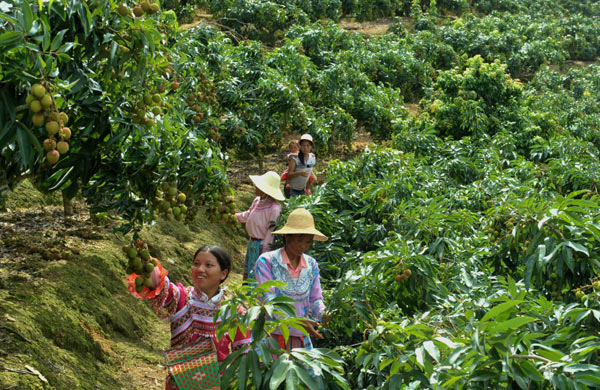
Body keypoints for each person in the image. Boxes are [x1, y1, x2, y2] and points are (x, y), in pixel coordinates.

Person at [127, 245, 251, 390]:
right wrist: (145, 260)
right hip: (180, 384)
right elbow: (158, 284)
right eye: (196, 264)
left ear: (223, 274)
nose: (200, 269)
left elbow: (243, 354)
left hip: (219, 384)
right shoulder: (181, 297)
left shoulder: (233, 311)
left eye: (208, 265)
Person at [255, 208, 328, 352]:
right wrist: (296, 322)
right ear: (287, 236)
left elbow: (315, 299)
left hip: (300, 338)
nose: (303, 246)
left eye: (308, 242)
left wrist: (325, 315)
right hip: (272, 335)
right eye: (299, 240)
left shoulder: (311, 265)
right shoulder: (266, 261)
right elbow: (269, 301)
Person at [235, 171, 284, 282]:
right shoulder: (257, 201)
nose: (256, 187)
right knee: (249, 270)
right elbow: (248, 214)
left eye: (259, 186)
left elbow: (271, 232)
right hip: (252, 243)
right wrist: (234, 217)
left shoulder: (274, 208)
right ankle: (248, 294)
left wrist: (265, 253)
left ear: (265, 190)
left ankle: (257, 296)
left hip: (262, 246)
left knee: (258, 273)